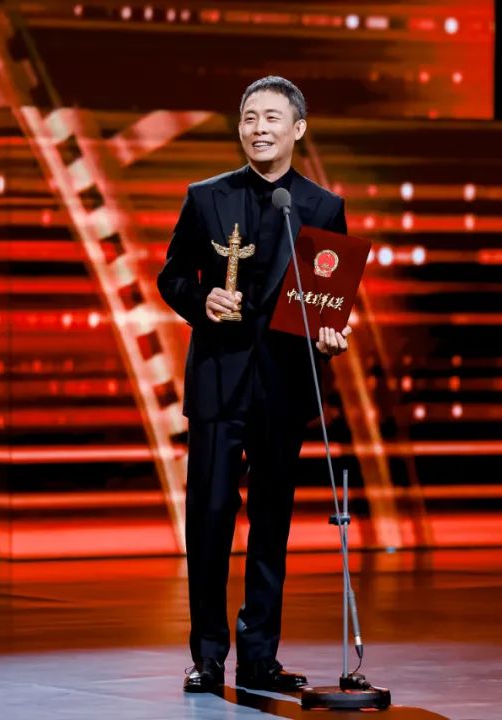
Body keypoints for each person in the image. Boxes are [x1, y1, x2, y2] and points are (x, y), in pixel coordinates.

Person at [157, 75, 352, 693]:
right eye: (249, 117)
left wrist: (330, 334)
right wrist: (201, 299)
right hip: (219, 382)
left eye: (271, 118)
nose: (259, 128)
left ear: (298, 129)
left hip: (284, 386)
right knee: (210, 519)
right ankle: (208, 656)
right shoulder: (206, 197)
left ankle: (261, 656)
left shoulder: (322, 207)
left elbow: (325, 303)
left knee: (272, 524)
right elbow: (171, 276)